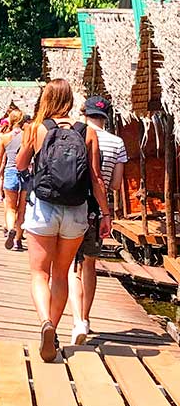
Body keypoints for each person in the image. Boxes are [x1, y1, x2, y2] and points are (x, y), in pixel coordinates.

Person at [16, 79, 111, 362]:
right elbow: (95, 179)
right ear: (70, 101)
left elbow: (21, 165)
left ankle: (45, 322)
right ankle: (54, 331)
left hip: (44, 208)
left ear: (47, 98)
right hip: (76, 211)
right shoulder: (87, 132)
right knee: (62, 273)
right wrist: (106, 215)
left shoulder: (37, 129)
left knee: (39, 274)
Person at [68, 96, 127, 345]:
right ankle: (86, 317)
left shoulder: (75, 134)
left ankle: (76, 321)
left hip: (72, 206)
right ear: (107, 116)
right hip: (97, 209)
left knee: (71, 266)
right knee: (89, 265)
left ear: (84, 113)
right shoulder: (118, 142)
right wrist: (107, 212)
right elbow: (114, 184)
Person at [0, 109, 28, 251]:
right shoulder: (28, 137)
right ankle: (19, 239)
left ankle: (11, 228)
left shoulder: (4, 138)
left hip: (10, 172)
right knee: (22, 209)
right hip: (26, 173)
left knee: (11, 208)